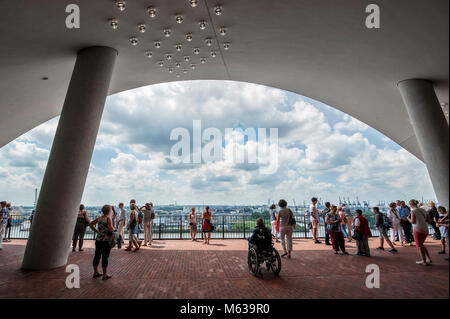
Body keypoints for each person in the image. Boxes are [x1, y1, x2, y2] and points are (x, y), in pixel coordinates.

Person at [89, 204, 115, 280]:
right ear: (109, 211)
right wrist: (114, 229)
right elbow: (110, 229)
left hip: (98, 240)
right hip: (106, 241)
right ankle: (104, 274)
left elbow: (90, 224)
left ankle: (95, 272)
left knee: (97, 256)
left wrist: (97, 231)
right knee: (105, 257)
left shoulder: (99, 218)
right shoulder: (108, 218)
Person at [408, 199, 432, 265]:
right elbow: (429, 220)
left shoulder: (413, 211)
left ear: (411, 205)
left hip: (417, 229)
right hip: (425, 229)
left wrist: (408, 218)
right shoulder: (424, 210)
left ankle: (424, 261)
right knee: (422, 244)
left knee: (419, 246)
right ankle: (428, 259)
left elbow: (413, 222)